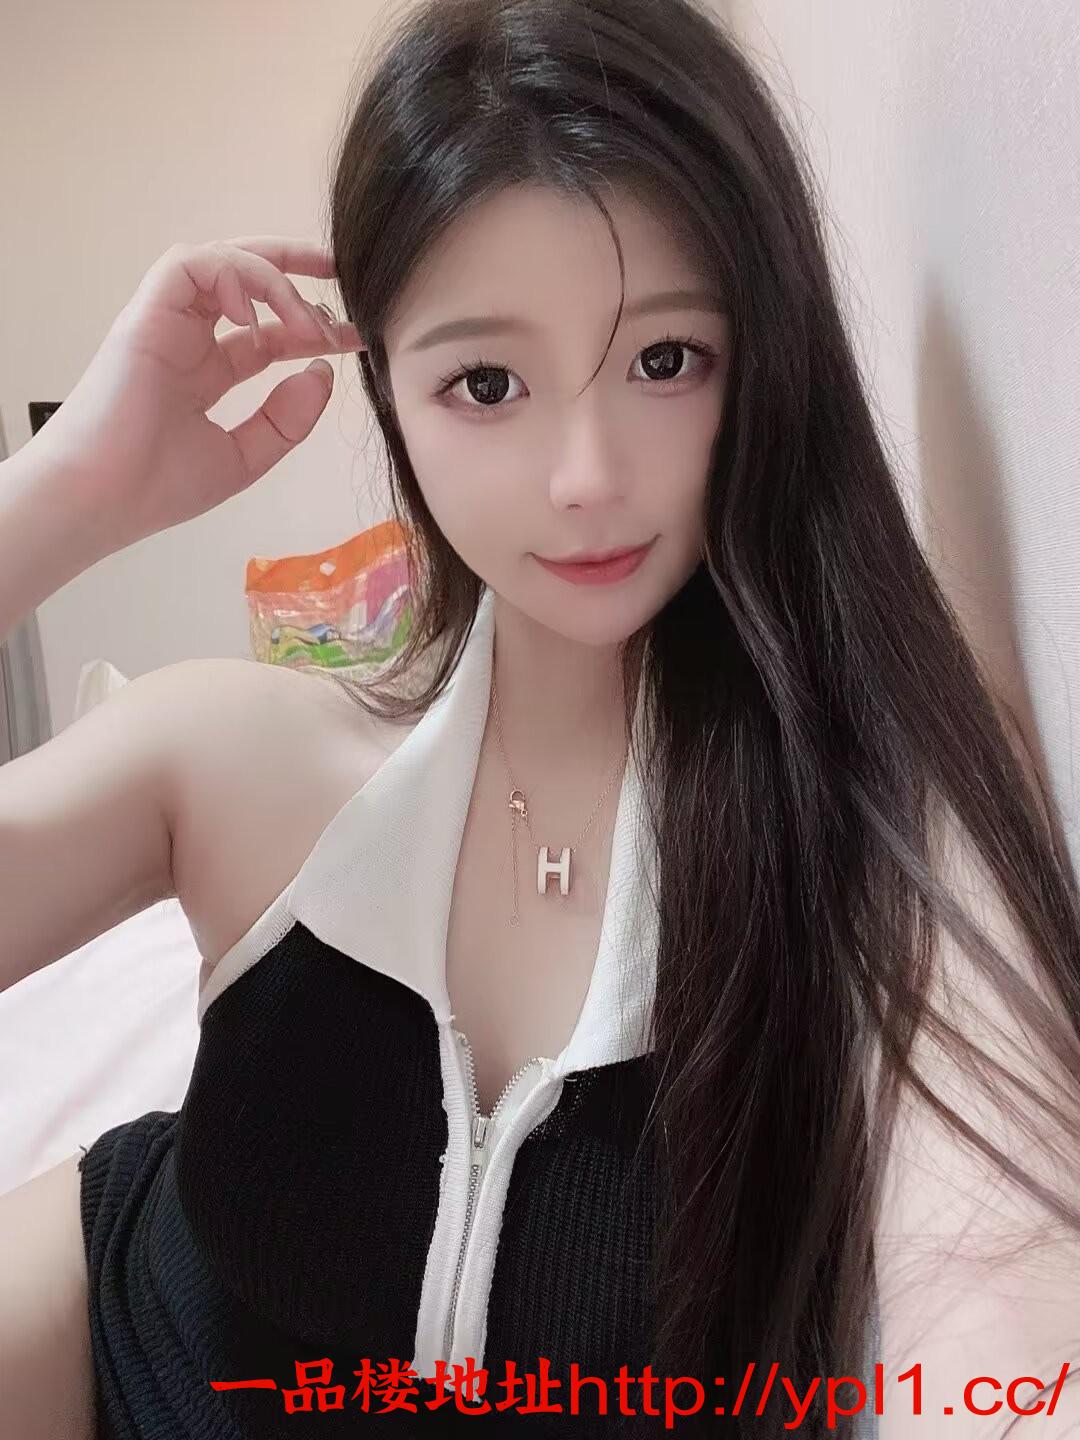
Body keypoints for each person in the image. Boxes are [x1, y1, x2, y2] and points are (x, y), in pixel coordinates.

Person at [2, 0, 1080, 1435]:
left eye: (664, 359)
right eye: (487, 383)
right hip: (114, 1335)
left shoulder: (871, 816)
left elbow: (1006, 1309)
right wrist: (60, 503)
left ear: (765, 358)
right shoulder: (228, 758)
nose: (585, 474)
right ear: (390, 396)